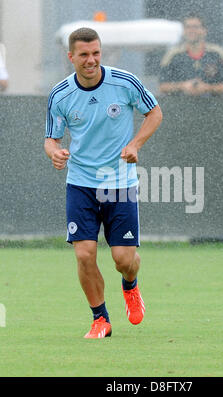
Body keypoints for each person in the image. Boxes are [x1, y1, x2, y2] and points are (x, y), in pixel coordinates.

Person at [44, 27, 163, 339]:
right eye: (83, 54)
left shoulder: (124, 82)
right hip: (80, 183)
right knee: (84, 254)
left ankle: (131, 286)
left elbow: (154, 113)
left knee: (124, 260)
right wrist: (55, 153)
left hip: (119, 182)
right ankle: (101, 319)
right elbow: (51, 139)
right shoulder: (60, 95)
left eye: (95, 53)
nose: (91, 60)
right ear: (71, 57)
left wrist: (136, 144)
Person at [159, 13, 223, 96]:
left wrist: (207, 88)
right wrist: (183, 86)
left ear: (204, 30)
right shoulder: (173, 55)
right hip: (180, 106)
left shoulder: (217, 53)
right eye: (188, 27)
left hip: (212, 107)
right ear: (183, 31)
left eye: (195, 27)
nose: (191, 30)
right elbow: (162, 86)